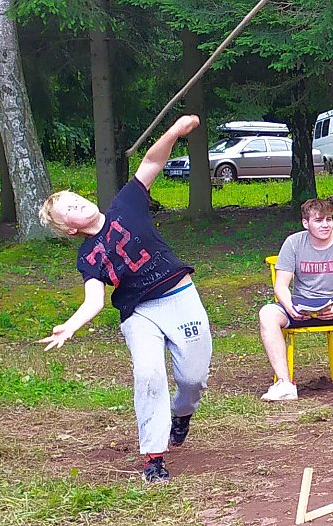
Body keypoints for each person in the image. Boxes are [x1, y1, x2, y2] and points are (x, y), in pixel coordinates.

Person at [40, 114, 210, 484]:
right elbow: (94, 301)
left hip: (180, 296)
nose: (77, 204)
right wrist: (69, 326)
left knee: (193, 379)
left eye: (76, 198)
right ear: (68, 228)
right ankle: (154, 457)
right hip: (139, 313)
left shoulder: (125, 205)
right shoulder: (88, 257)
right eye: (68, 208)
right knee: (148, 375)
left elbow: (151, 162)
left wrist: (174, 132)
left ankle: (182, 414)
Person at [259, 197, 333, 400]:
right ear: (305, 223)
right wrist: (290, 308)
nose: (325, 225)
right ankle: (284, 383)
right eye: (318, 220)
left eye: (329, 220)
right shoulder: (293, 243)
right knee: (267, 313)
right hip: (301, 306)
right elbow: (280, 285)